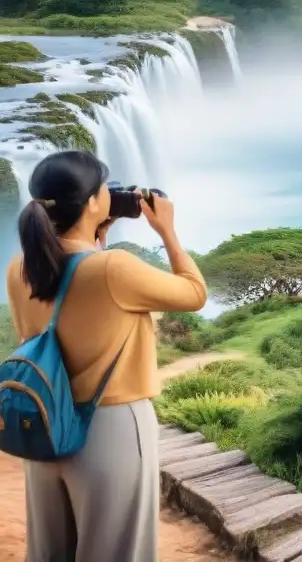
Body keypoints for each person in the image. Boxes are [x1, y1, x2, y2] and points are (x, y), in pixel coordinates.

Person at [5, 150, 207, 561]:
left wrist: (96, 236)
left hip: (43, 419)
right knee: (116, 552)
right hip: (109, 427)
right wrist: (167, 230)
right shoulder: (115, 269)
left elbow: (74, 282)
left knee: (48, 552)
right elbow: (194, 293)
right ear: (94, 201)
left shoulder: (19, 267)